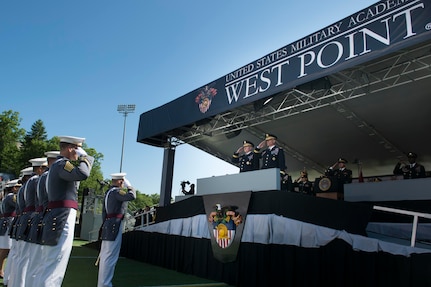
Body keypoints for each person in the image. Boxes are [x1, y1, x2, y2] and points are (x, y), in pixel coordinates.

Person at [33, 136, 94, 287]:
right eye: (77, 149)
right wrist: (85, 157)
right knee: (55, 266)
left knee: (49, 264)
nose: (77, 153)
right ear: (70, 148)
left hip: (57, 215)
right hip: (62, 217)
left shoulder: (57, 166)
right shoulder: (61, 165)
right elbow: (83, 174)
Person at [8, 157, 48, 287]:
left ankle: (14, 283)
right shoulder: (37, 180)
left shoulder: (27, 184)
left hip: (23, 219)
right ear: (40, 168)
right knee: (29, 259)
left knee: (20, 257)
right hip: (31, 218)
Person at [25, 151, 60, 286]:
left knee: (32, 260)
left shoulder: (34, 180)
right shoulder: (44, 177)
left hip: (36, 217)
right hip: (44, 216)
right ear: (40, 168)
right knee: (39, 261)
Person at [97, 172, 136, 287]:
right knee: (110, 257)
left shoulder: (109, 192)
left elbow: (104, 212)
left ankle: (102, 284)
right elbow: (132, 196)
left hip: (108, 224)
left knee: (105, 256)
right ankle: (105, 284)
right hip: (115, 225)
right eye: (123, 182)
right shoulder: (116, 191)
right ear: (120, 181)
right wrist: (130, 187)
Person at [0, 179, 21, 279]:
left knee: (5, 249)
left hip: (7, 222)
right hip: (8, 223)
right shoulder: (11, 197)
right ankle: (0, 270)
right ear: (13, 188)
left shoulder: (7, 197)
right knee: (5, 249)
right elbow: (19, 205)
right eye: (18, 187)